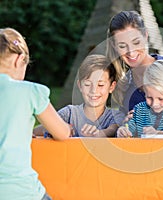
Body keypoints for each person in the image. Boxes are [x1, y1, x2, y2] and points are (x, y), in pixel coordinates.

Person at [0, 28, 72, 200]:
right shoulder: (30, 91)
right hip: (20, 190)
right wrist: (67, 126)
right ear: (19, 59)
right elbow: (62, 133)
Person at [34, 54, 123, 137]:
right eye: (87, 84)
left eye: (100, 85)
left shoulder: (115, 116)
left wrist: (99, 134)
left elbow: (112, 129)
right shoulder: (69, 113)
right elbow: (48, 127)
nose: (93, 90)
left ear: (111, 86)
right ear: (80, 85)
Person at [117, 60, 163, 137]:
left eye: (161, 99)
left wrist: (157, 133)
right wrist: (123, 131)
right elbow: (130, 129)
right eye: (149, 97)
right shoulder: (139, 109)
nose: (154, 104)